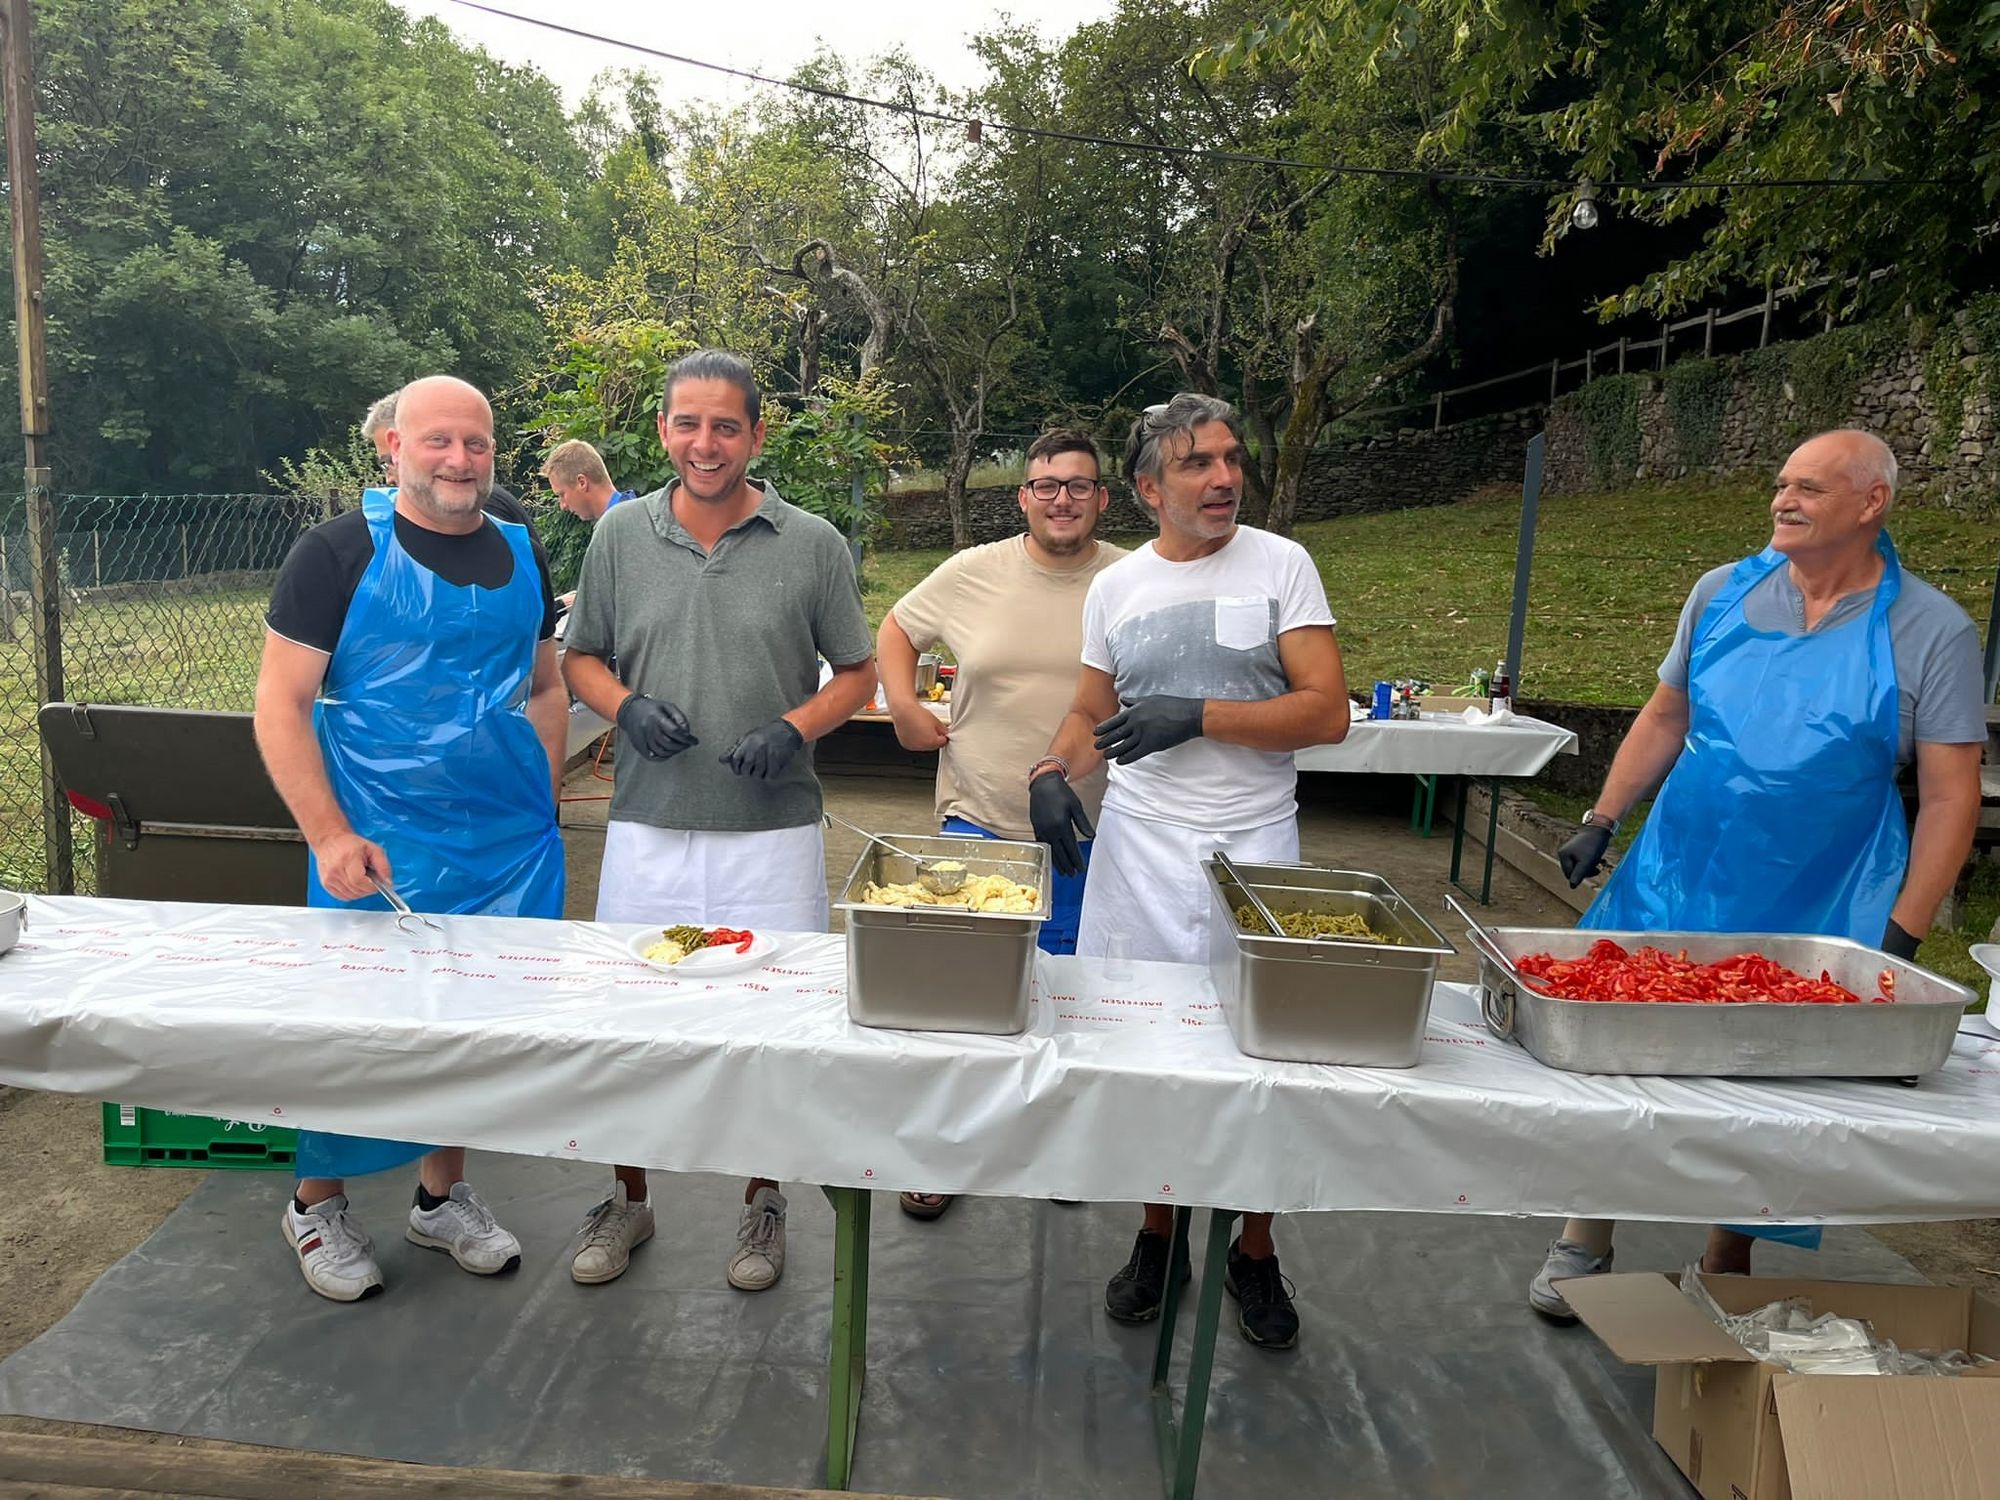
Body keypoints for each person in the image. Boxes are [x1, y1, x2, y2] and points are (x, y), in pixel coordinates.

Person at [1528, 428, 1987, 1322]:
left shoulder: (1933, 630)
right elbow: (1666, 715)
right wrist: (1601, 817)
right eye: (1782, 484)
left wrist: (1902, 933)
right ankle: (1586, 1230)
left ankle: (1727, 1254)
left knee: (1779, 1091)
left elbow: (1949, 795)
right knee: (1626, 1056)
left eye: (1809, 488)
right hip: (1683, 871)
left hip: (1828, 893)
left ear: (1872, 502)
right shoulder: (1721, 593)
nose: (1783, 500)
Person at [1029, 392, 1349, 1349]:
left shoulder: (1281, 564)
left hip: (1253, 848)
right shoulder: (1117, 589)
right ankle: (1159, 1234)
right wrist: (1051, 774)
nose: (1223, 479)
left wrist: (1199, 715)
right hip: (1139, 852)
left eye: (1231, 459)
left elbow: (1326, 711)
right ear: (1146, 488)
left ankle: (1254, 1248)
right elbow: (1091, 711)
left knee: (1264, 1058)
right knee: (1145, 1051)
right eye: (1196, 464)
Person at [561, 350, 876, 1290]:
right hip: (651, 828)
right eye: (689, 424)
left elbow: (858, 673)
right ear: (663, 431)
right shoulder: (620, 535)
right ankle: (628, 1196)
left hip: (771, 838)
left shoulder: (812, 542)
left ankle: (762, 1201)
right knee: (632, 1021)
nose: (707, 444)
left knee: (771, 1023)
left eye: (726, 426)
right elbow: (582, 659)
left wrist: (796, 726)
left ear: (755, 435)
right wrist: (624, 707)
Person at [253, 374, 568, 1303]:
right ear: (393, 446)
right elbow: (280, 703)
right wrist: (328, 835)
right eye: (438, 441)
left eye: (477, 443)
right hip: (379, 842)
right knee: (360, 1030)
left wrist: (544, 800)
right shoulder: (337, 552)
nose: (460, 461)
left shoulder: (521, 542)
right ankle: (316, 1204)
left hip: (509, 844)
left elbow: (547, 685)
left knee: (474, 1028)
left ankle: (440, 1198)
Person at [875, 429, 1128, 1220]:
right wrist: (905, 707)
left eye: (1078, 485)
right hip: (978, 816)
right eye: (1046, 485)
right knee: (964, 994)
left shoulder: (1132, 579)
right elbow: (896, 630)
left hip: (1088, 828)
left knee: (1069, 996)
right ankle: (948, 1150)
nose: (1062, 499)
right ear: (1023, 497)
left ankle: (1056, 1148)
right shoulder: (972, 572)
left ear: (1102, 498)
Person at [543, 438, 635, 524]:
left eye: (562, 494)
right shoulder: (633, 516)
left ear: (582, 483)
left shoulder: (622, 526)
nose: (563, 506)